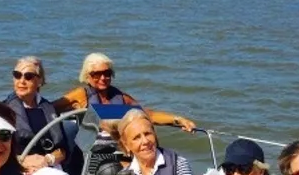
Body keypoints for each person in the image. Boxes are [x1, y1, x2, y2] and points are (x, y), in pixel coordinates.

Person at [3, 56, 78, 175]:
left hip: (49, 167)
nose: (21, 80)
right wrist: (21, 161)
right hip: (21, 172)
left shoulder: (47, 109)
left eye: (28, 76)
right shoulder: (4, 112)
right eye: (17, 75)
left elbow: (62, 150)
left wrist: (47, 159)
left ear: (40, 81)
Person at [52, 52, 196, 132]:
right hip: (90, 153)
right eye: (97, 74)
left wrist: (178, 120)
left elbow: (148, 115)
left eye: (107, 73)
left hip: (119, 147)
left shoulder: (121, 98)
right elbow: (49, 110)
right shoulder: (81, 95)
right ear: (87, 76)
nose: (103, 78)